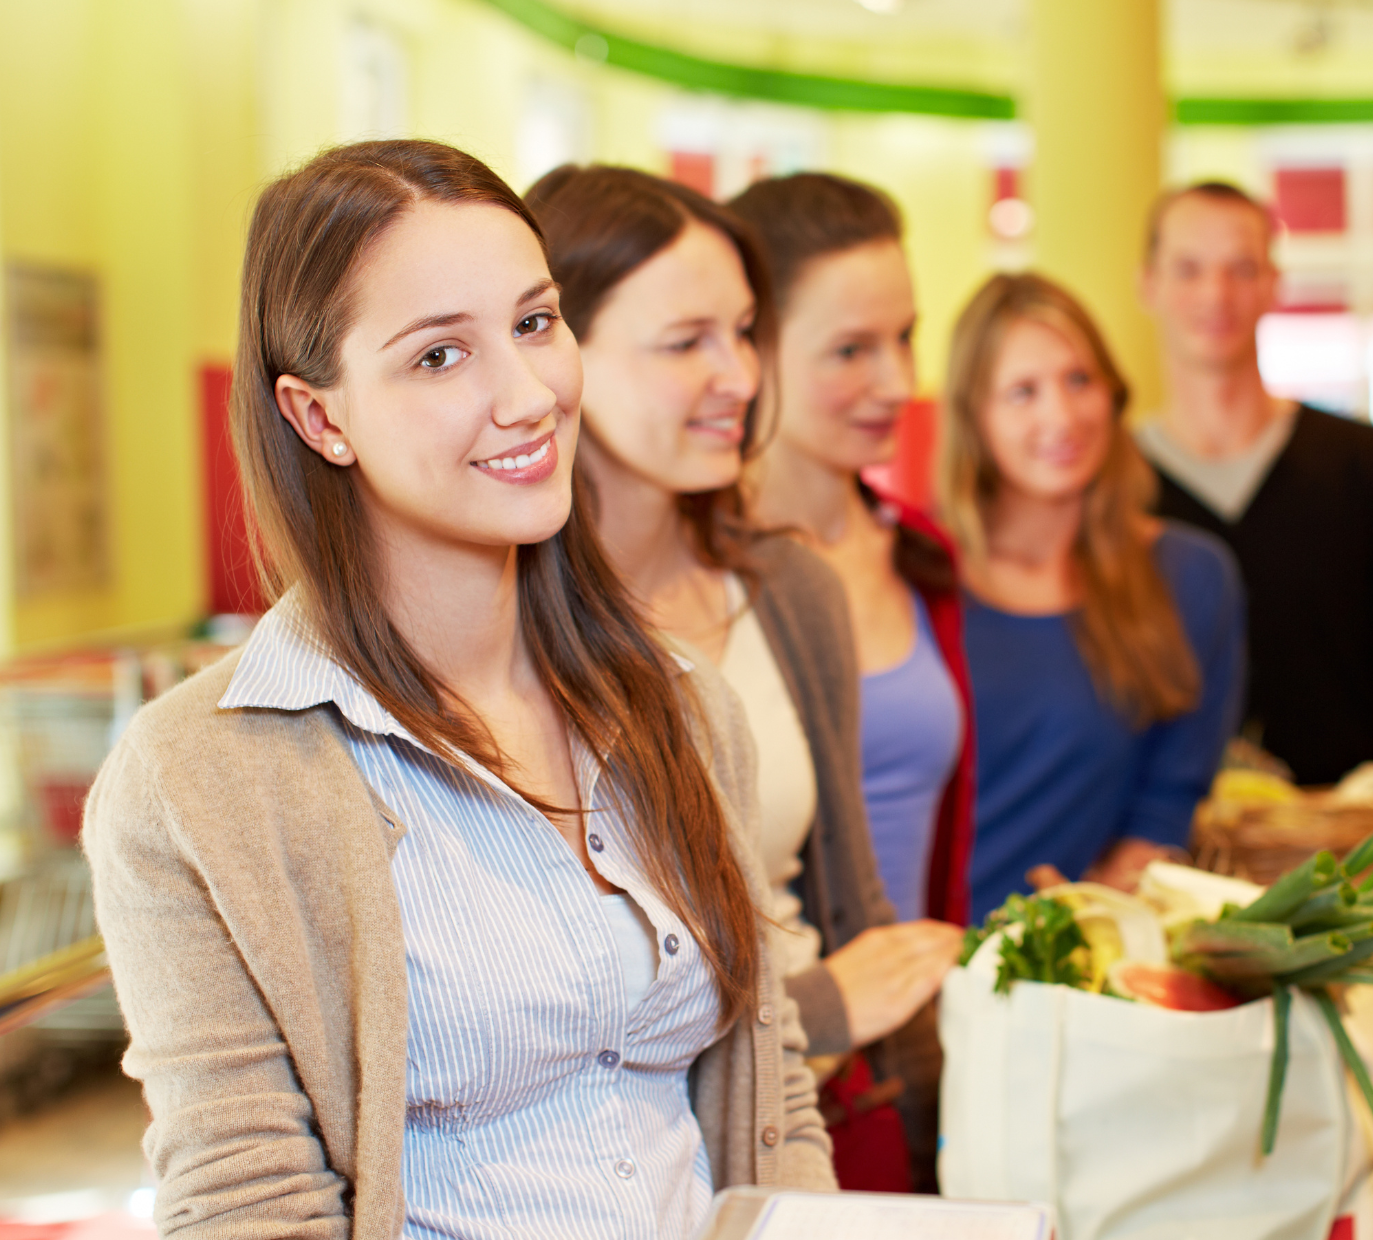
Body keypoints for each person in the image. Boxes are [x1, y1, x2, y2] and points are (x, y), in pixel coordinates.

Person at [81, 140, 832, 1240]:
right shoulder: (198, 778)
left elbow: (773, 1099)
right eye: (439, 356)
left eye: (535, 323)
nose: (529, 396)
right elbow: (246, 1201)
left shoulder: (681, 704)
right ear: (318, 417)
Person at [524, 163, 958, 1193]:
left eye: (745, 332)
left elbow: (843, 894)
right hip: (602, 1177)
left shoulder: (789, 587)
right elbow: (531, 1021)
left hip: (813, 1125)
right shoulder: (502, 628)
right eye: (687, 343)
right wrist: (814, 1008)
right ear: (552, 355)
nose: (741, 376)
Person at [1135, 180, 1373, 791]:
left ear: (1274, 284)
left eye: (1241, 269)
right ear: (1149, 285)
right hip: (1160, 850)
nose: (1215, 294)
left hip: (1346, 849)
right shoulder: (1112, 483)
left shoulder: (1365, 461)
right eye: (1188, 269)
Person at [938, 271, 1246, 920]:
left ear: (1113, 392)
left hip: (1069, 971)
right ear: (974, 417)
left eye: (1079, 380)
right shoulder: (918, 580)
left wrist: (1093, 915)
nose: (1062, 416)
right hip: (905, 964)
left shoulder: (1191, 578)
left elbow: (1167, 801)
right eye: (1022, 392)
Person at [728, 174, 975, 930]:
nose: (899, 382)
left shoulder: (919, 552)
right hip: (783, 1032)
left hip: (916, 1023)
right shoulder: (690, 575)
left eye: (904, 337)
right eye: (850, 350)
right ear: (748, 346)